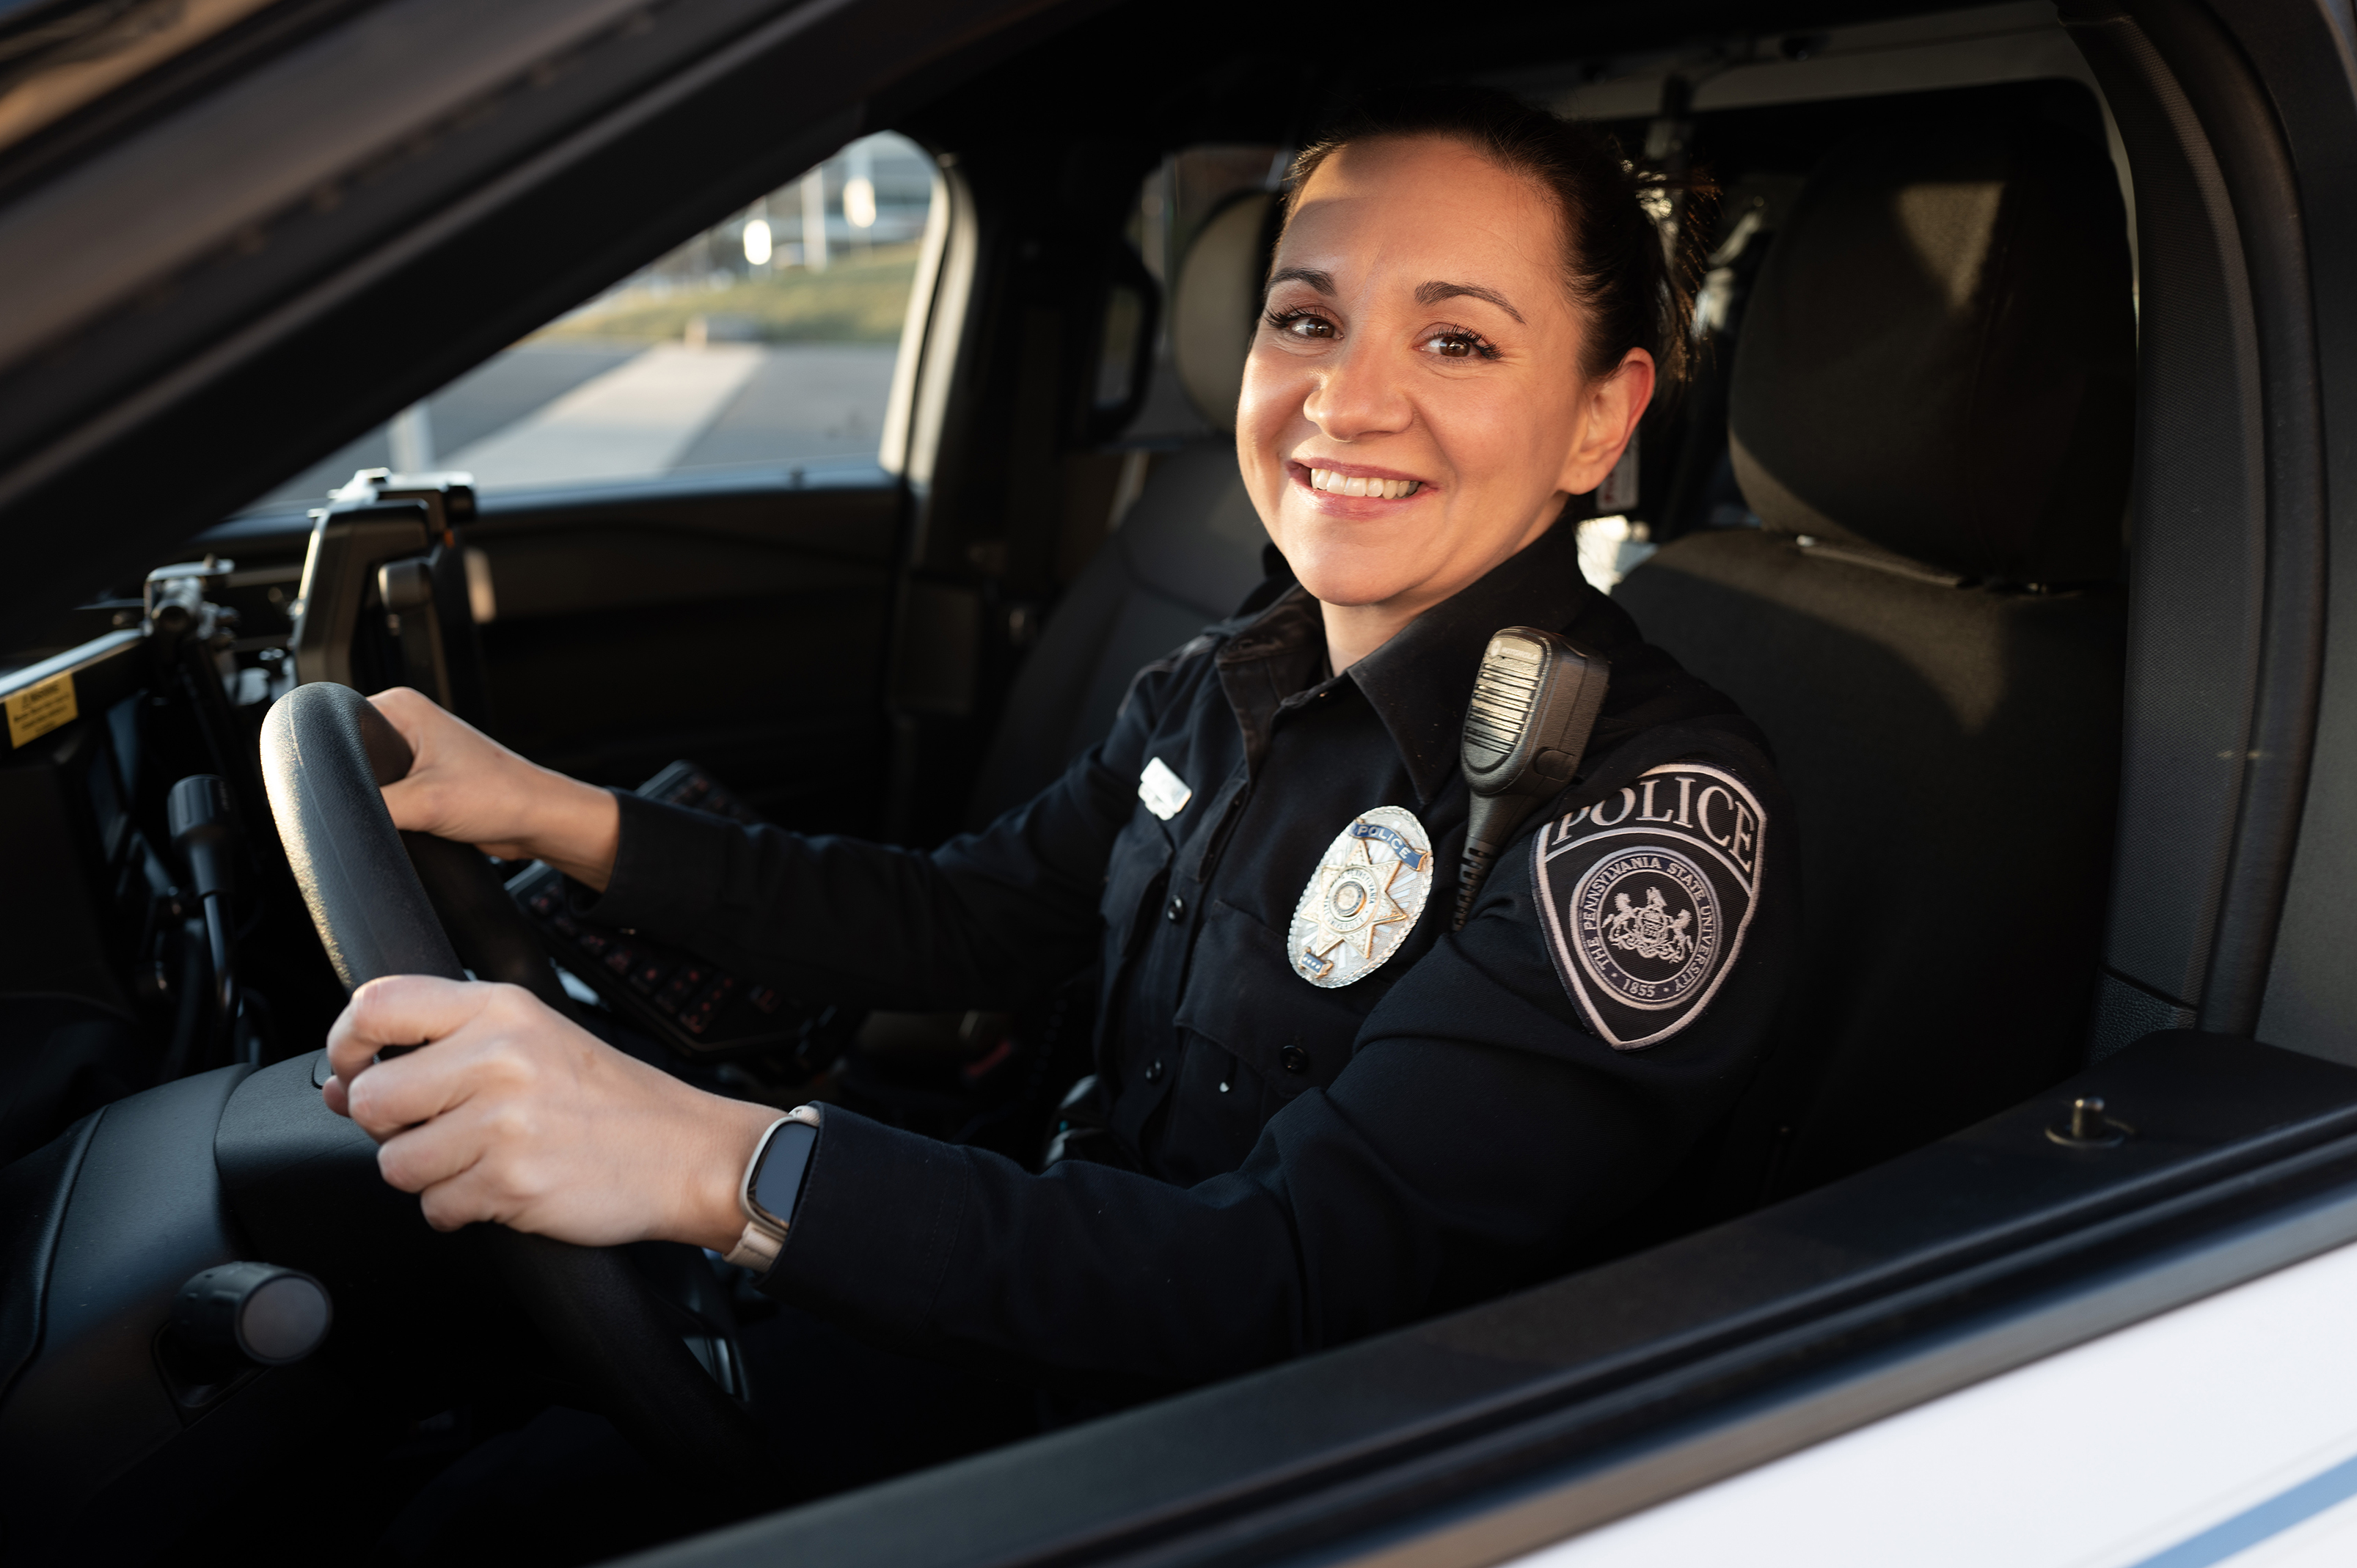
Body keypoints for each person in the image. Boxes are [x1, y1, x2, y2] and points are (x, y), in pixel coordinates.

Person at [323, 87, 1792, 1399]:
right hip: (1038, 1282)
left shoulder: (1642, 809)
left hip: (1243, 1445)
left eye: (1456, 338)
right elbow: (965, 921)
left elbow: (1285, 1281)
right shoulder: (1225, 677)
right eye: (1304, 318)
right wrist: (540, 811)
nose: (1345, 397)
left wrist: (712, 1160)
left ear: (1599, 419)